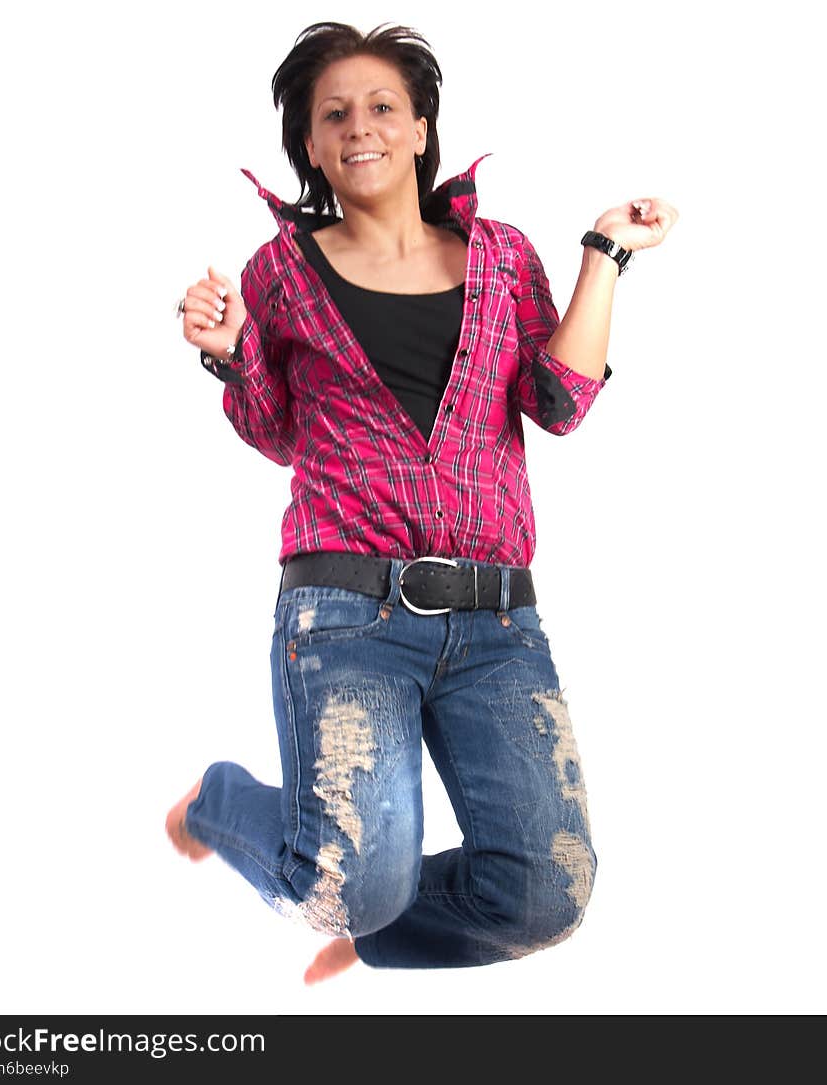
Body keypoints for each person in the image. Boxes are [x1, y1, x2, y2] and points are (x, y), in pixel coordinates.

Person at [169, 20, 678, 985]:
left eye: (381, 107)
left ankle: (373, 920)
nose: (360, 127)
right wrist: (231, 350)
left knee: (546, 893)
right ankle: (225, 804)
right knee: (344, 879)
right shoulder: (279, 272)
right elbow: (278, 432)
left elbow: (559, 401)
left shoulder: (499, 255)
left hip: (498, 621)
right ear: (312, 146)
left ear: (419, 127)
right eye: (334, 115)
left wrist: (606, 251)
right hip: (348, 611)